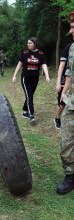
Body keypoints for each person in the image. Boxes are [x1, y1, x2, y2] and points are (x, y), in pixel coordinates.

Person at [12, 37, 50, 124]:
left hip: (35, 78)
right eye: (28, 43)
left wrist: (47, 76)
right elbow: (19, 65)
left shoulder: (40, 54)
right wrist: (14, 76)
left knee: (30, 95)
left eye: (30, 43)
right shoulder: (25, 53)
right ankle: (31, 115)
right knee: (29, 96)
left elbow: (44, 65)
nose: (28, 44)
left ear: (35, 44)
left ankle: (25, 111)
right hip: (26, 78)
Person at [56, 20, 74, 195]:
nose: (71, 30)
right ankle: (70, 175)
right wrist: (64, 91)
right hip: (71, 102)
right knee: (65, 142)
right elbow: (69, 72)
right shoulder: (72, 48)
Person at [54, 43, 72, 129]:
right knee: (62, 102)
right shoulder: (68, 47)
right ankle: (57, 118)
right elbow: (61, 66)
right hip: (65, 78)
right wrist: (58, 82)